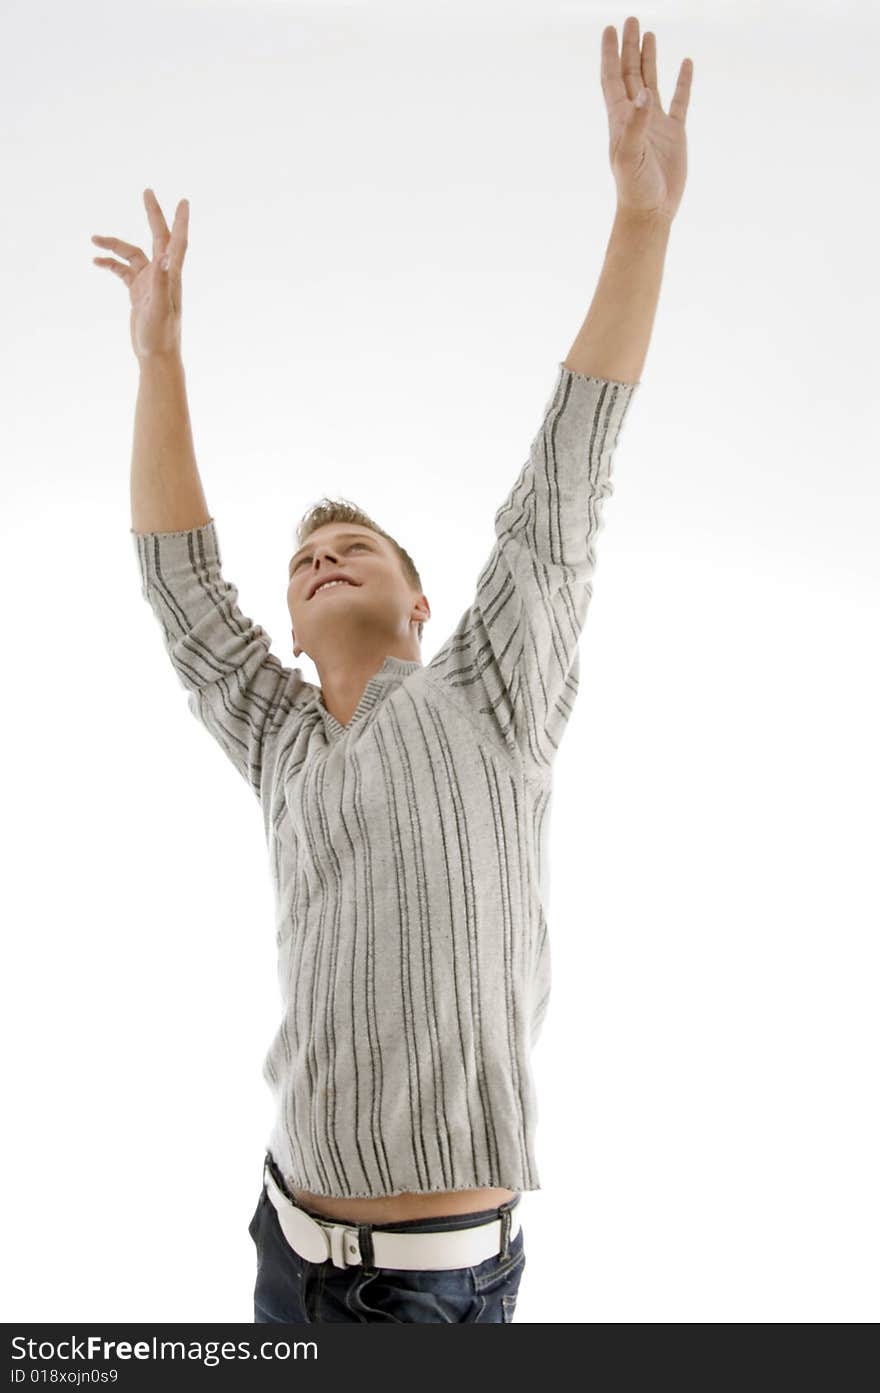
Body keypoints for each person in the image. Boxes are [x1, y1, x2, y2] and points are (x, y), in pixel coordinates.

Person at [92, 16, 692, 1323]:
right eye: (304, 559)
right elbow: (181, 585)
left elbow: (564, 483)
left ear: (417, 601)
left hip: (465, 1280)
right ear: (289, 628)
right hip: (298, 1256)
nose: (322, 558)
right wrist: (160, 358)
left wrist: (641, 220)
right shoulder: (280, 739)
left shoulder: (492, 688)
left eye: (353, 545)